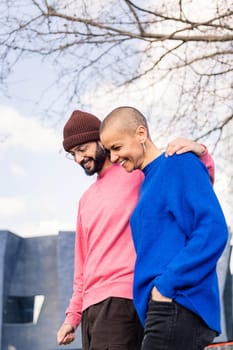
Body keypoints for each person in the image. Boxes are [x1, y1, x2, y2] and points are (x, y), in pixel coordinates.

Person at [57, 110, 215, 350]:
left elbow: (190, 188)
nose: (79, 159)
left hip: (124, 297)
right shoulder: (85, 200)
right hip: (91, 307)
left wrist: (200, 153)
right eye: (72, 154)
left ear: (102, 141)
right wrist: (73, 315)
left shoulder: (136, 173)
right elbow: (82, 263)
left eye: (82, 149)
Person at [100, 106, 228, 350]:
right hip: (160, 308)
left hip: (178, 303)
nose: (113, 157)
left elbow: (212, 229)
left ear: (141, 133)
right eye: (108, 151)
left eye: (117, 147)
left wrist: (166, 286)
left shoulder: (177, 163)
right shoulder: (147, 182)